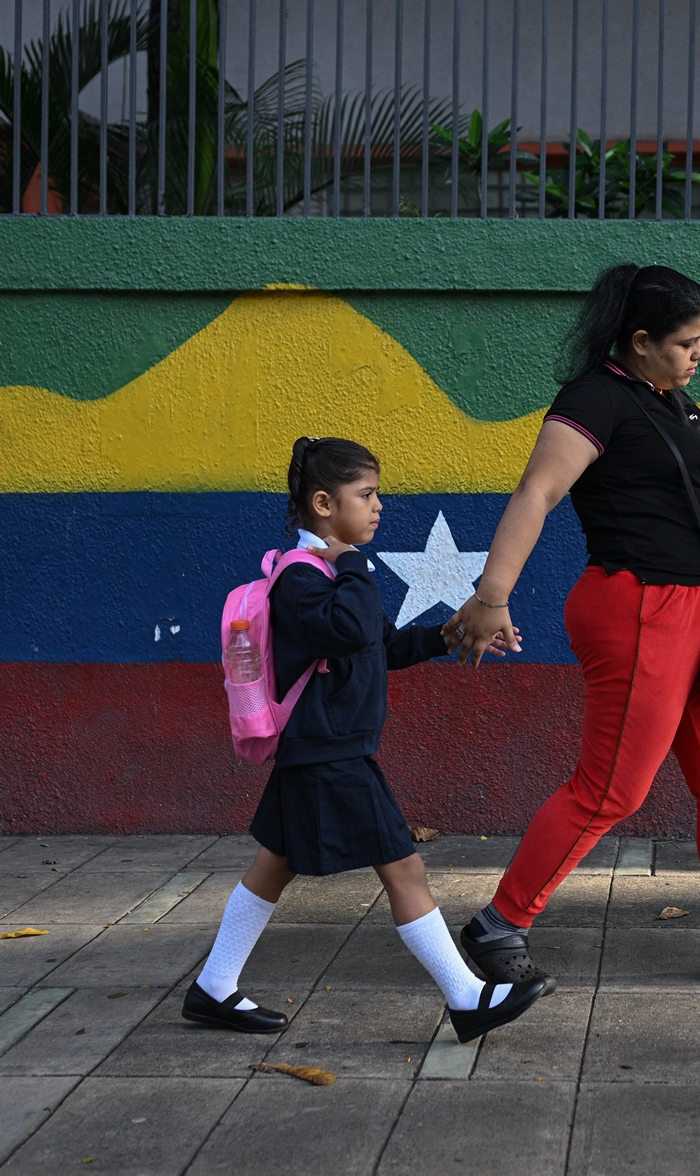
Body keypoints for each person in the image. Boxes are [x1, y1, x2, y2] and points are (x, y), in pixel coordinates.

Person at [444, 264, 700, 986]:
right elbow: (539, 490)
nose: (698, 355)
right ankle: (499, 923)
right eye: (688, 342)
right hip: (639, 608)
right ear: (642, 339)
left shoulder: (673, 402)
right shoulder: (594, 399)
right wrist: (493, 594)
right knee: (611, 789)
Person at [183, 436, 547, 1043]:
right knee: (404, 868)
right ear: (324, 504)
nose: (379, 507)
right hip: (329, 754)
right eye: (367, 495)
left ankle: (214, 987)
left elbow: (378, 644)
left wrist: (445, 634)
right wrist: (349, 560)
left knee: (272, 867)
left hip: (323, 750)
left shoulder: (329, 574)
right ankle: (466, 999)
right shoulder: (304, 577)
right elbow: (351, 626)